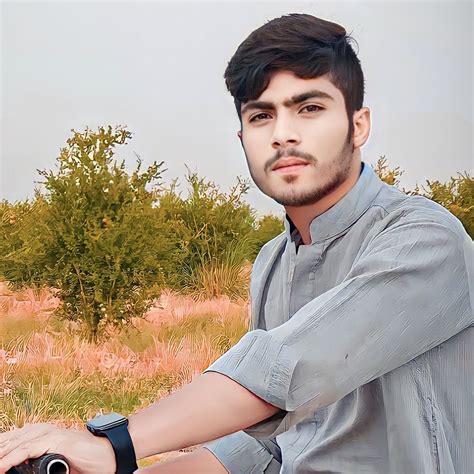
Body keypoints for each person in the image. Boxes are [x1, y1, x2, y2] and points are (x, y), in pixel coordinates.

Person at [0, 12, 472, 474]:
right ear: (243, 136)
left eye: (310, 108)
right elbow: (268, 445)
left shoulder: (425, 241)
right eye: (262, 115)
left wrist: (113, 445)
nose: (283, 134)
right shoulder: (272, 262)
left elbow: (284, 370)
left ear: (359, 124)